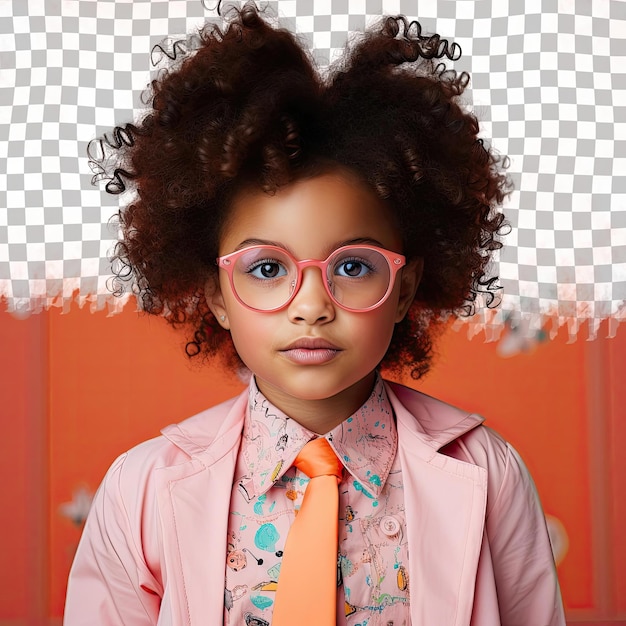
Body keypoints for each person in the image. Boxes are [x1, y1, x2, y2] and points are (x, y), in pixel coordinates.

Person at [64, 3, 565, 625]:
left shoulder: (487, 473)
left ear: (405, 289)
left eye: (352, 267)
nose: (311, 307)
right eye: (267, 269)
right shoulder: (139, 490)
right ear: (216, 296)